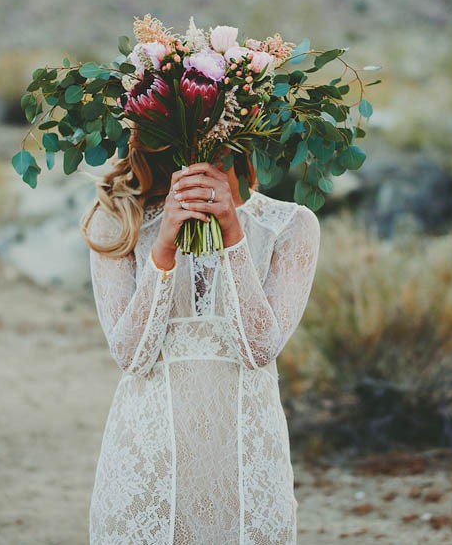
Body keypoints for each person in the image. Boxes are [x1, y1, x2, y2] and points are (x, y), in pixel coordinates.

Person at [80, 130, 321, 545]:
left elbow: (257, 348)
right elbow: (132, 357)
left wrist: (231, 232)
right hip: (149, 460)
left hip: (245, 461)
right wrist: (164, 246)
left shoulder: (291, 227)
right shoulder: (119, 219)